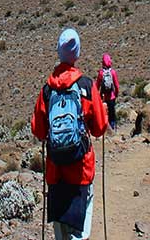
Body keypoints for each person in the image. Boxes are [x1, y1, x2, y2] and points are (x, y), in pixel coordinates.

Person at [32, 27, 108, 240]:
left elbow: (38, 130)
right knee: (79, 232)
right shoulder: (86, 85)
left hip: (56, 171)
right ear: (77, 53)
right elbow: (99, 128)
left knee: (61, 232)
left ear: (59, 52)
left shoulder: (47, 90)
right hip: (81, 170)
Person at [96, 53, 120, 131]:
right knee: (112, 114)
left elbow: (97, 86)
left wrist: (97, 96)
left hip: (103, 97)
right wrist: (116, 94)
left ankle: (105, 129)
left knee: (104, 113)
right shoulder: (113, 72)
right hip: (111, 96)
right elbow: (116, 85)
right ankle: (112, 128)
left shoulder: (101, 73)